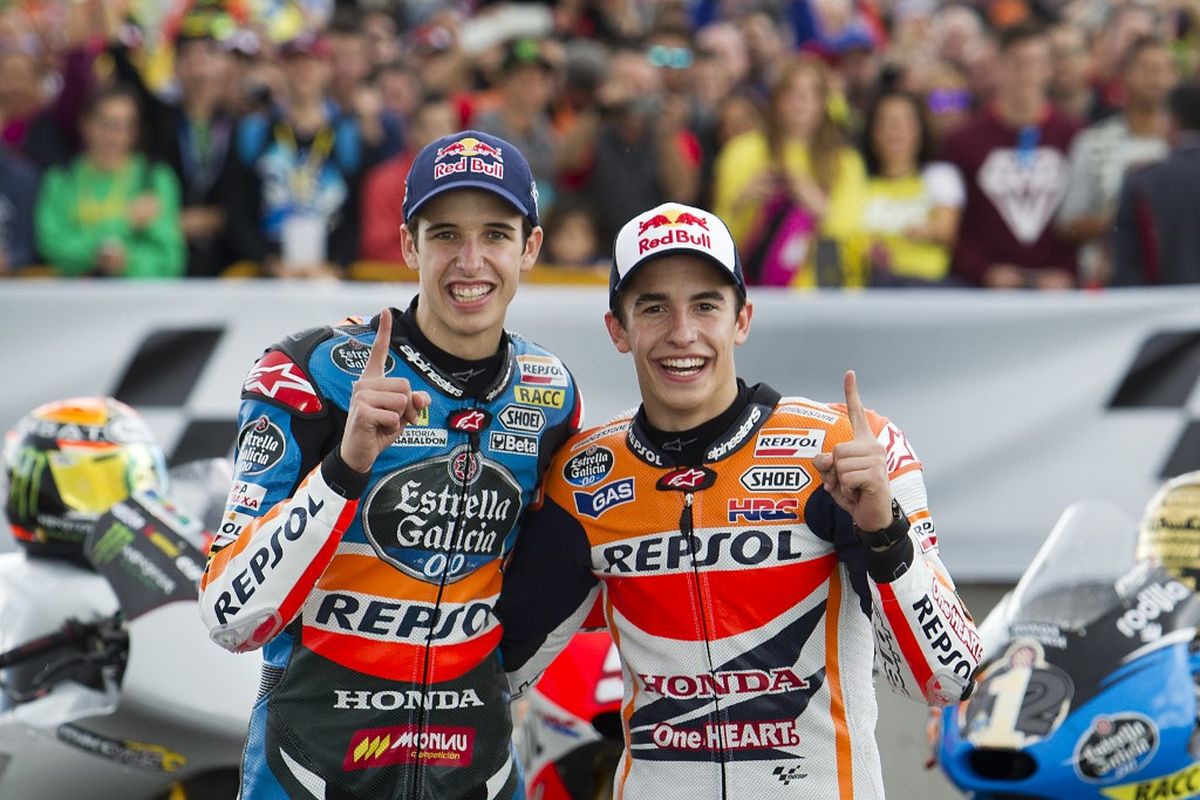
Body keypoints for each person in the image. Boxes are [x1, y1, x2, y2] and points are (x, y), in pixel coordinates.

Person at [497, 202, 981, 798]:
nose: (682, 332)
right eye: (653, 307)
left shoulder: (847, 447)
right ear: (617, 329)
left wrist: (883, 530)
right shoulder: (585, 475)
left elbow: (946, 679)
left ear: (742, 319)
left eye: (706, 304)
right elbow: (496, 670)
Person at [198, 129, 584, 799]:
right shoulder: (308, 370)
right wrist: (345, 470)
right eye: (444, 236)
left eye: (495, 234)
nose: (470, 261)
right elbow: (228, 613)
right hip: (310, 772)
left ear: (531, 248)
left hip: (476, 774)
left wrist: (501, 682)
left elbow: (550, 589)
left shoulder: (551, 394)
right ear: (408, 244)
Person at [943, 22, 1081, 289]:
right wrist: (984, 272)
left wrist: (1067, 271)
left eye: (1037, 63)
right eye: (1018, 64)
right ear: (1000, 67)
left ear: (1049, 69)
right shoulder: (961, 142)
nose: (1027, 74)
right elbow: (952, 224)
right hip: (984, 293)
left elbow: (1085, 220)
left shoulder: (1075, 137)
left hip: (1059, 292)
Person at [713, 55, 867, 287]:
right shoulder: (740, 152)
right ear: (776, 100)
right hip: (752, 288)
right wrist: (744, 201)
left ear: (824, 103)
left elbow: (851, 234)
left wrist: (815, 203)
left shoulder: (845, 161)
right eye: (791, 91)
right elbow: (717, 236)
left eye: (811, 93)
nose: (801, 100)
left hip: (819, 293)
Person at [1058, 35, 1175, 286]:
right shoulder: (1093, 142)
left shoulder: (1186, 146)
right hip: (1110, 281)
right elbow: (1068, 225)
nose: (1156, 78)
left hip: (1177, 281)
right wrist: (1121, 218)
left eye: (1164, 69)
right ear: (1124, 77)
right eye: (1146, 69)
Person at [34, 85, 185, 279]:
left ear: (134, 132)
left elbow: (170, 260)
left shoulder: (155, 178)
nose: (112, 135)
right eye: (104, 123)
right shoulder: (61, 178)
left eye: (123, 126)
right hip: (73, 298)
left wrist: (128, 261)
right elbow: (51, 246)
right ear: (85, 123)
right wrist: (124, 222)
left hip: (135, 300)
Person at [858, 90, 965, 285]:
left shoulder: (940, 176)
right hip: (872, 285)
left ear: (919, 129)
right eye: (887, 122)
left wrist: (928, 231)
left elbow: (946, 230)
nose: (896, 130)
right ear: (872, 132)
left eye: (904, 121)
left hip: (927, 287)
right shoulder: (857, 182)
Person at [1111, 83, 1200, 285]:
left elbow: (1127, 265)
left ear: (1173, 123)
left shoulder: (1142, 181)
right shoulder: (1142, 180)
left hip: (1161, 306)